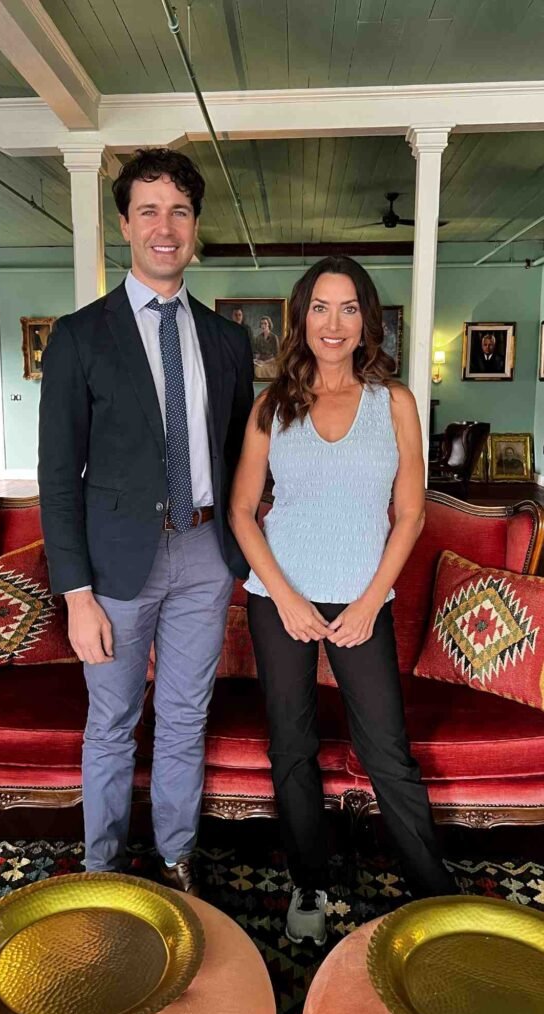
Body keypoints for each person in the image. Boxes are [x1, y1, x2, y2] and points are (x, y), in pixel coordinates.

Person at [38, 148, 253, 894]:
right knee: (113, 721)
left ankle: (175, 857)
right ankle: (101, 868)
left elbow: (236, 458)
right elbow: (58, 477)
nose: (166, 227)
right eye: (150, 211)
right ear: (125, 224)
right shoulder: (79, 336)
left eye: (181, 211)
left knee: (186, 716)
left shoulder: (226, 341)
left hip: (203, 554)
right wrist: (74, 594)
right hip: (115, 565)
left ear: (196, 227)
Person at [229, 255, 455, 946]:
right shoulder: (272, 405)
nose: (333, 323)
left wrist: (368, 601)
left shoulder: (396, 404)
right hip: (280, 598)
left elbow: (410, 513)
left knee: (385, 747)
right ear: (302, 318)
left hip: (363, 600)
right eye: (321, 308)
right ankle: (309, 881)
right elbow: (243, 511)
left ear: (368, 320)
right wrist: (288, 600)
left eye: (349, 308)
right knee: (292, 744)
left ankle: (434, 894)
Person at [253, 315, 280, 379]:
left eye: (265, 323)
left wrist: (265, 362)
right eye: (262, 323)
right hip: (260, 361)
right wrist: (257, 359)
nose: (263, 325)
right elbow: (257, 353)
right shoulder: (258, 338)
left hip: (271, 362)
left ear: (269, 325)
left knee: (260, 370)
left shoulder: (274, 337)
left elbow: (277, 356)